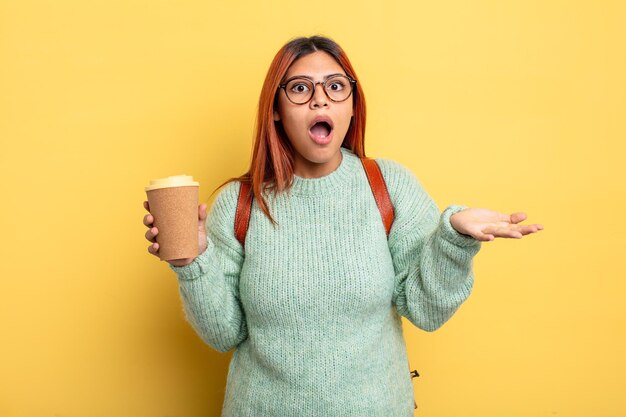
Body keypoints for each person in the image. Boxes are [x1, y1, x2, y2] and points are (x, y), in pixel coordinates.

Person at [142, 35, 543, 416]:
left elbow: (426, 311)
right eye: (300, 88)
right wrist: (192, 262)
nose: (320, 100)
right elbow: (224, 334)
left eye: (336, 87)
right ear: (276, 110)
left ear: (352, 105)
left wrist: (453, 238)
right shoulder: (240, 203)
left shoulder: (389, 186)